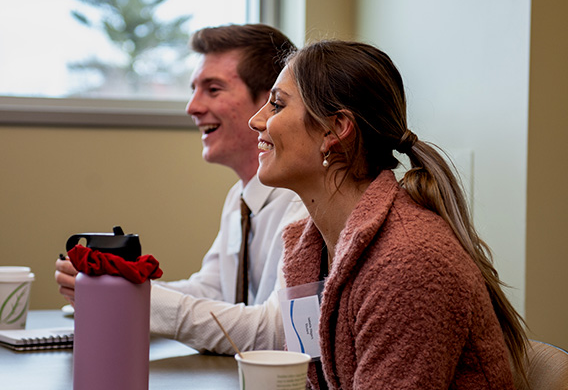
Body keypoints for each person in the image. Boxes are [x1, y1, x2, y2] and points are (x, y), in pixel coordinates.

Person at [249, 40, 528, 389]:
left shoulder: (410, 261)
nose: (256, 120)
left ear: (334, 130)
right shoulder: (309, 251)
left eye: (277, 105)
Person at [55, 24, 307, 354]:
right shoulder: (239, 199)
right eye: (193, 89)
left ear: (269, 101)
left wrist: (137, 301)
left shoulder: (304, 204)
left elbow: (281, 332)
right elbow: (214, 289)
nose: (192, 107)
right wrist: (116, 288)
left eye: (213, 89)